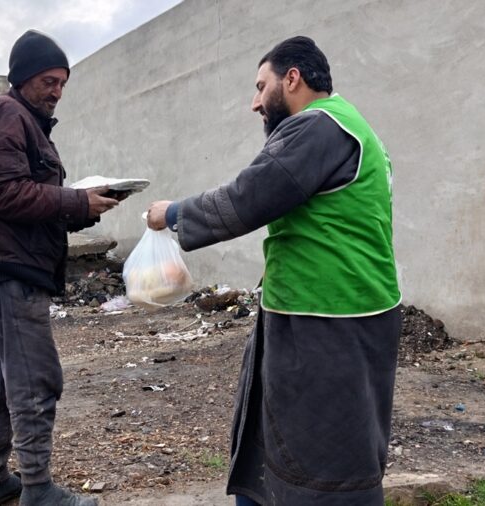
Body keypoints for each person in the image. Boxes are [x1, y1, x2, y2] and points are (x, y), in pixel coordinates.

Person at [147, 36, 402, 505]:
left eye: (260, 86)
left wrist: (174, 212)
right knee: (301, 441)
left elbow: (249, 197)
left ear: (293, 78)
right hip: (341, 310)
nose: (254, 103)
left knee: (321, 459)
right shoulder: (355, 126)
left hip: (325, 319)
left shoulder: (318, 126)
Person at [0, 29, 120, 506]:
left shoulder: (21, 121)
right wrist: (75, 201)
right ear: (23, 78)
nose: (57, 91)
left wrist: (82, 209)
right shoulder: (7, 114)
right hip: (8, 274)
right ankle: (37, 489)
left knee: (4, 377)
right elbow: (4, 193)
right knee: (34, 382)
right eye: (49, 81)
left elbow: (24, 202)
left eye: (63, 83)